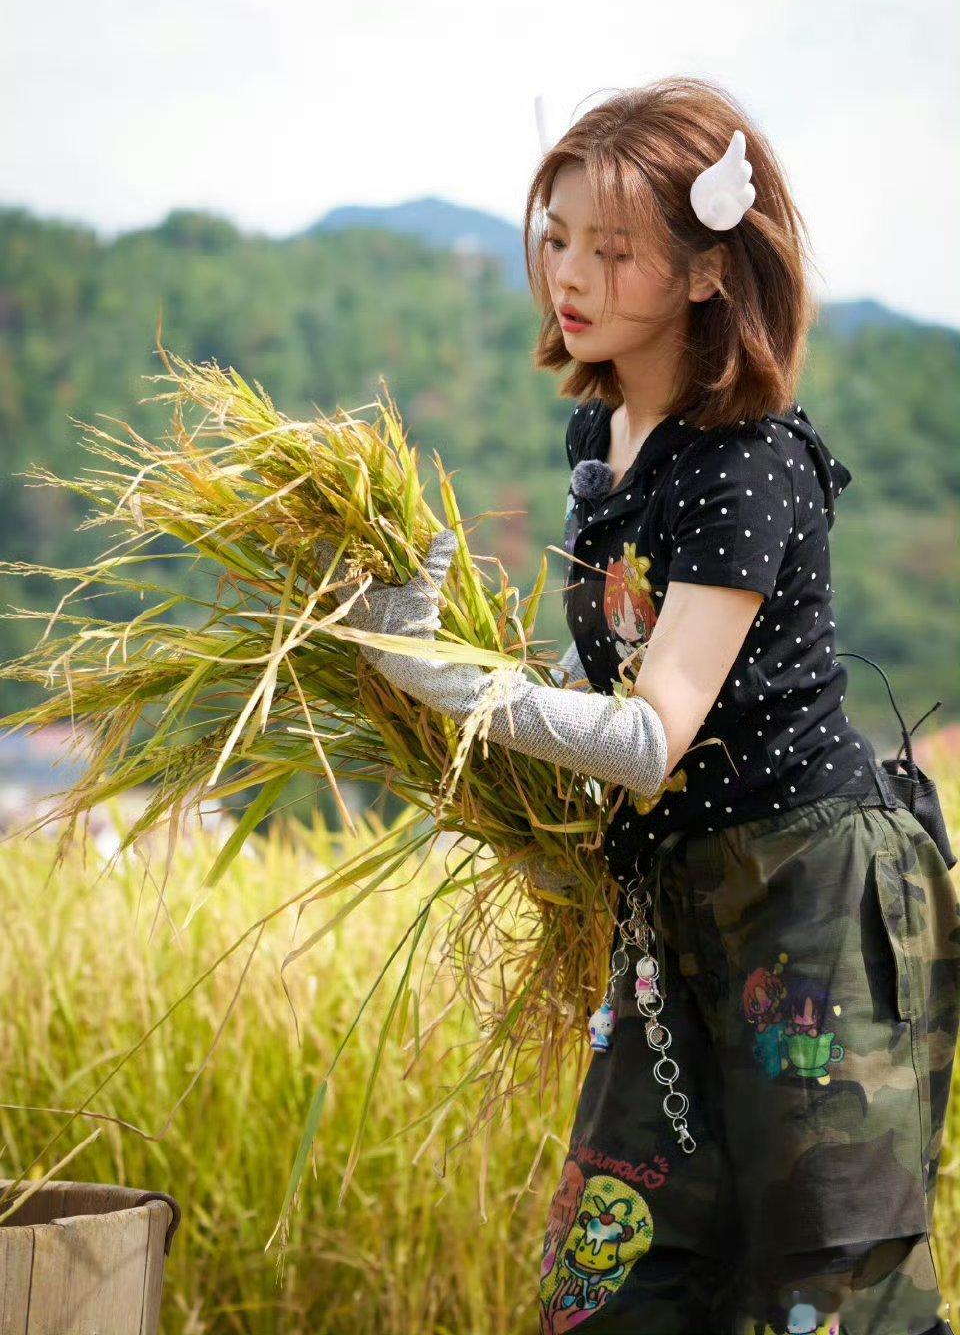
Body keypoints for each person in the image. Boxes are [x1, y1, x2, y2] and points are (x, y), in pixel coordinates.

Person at [321, 77, 960, 1333]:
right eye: (557, 237)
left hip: (815, 898)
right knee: (617, 1265)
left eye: (615, 251)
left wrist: (445, 678)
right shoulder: (602, 443)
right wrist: (442, 662)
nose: (571, 275)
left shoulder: (748, 462)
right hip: (673, 905)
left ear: (709, 270)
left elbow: (652, 734)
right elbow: (603, 678)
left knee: (829, 1291)